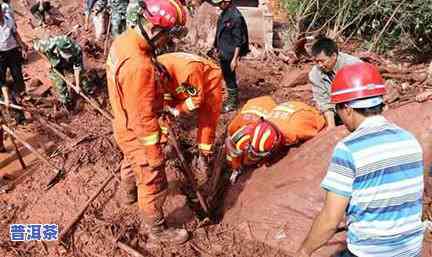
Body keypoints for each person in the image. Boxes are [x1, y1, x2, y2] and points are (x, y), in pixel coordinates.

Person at [296, 62, 424, 257]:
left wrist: (304, 251)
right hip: (411, 248)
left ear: (347, 109)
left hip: (372, 252)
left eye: (337, 109)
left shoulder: (348, 149)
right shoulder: (410, 139)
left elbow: (331, 220)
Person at [106, 0, 189, 244]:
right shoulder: (139, 67)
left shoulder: (123, 41)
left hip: (122, 123)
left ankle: (128, 195)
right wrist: (154, 154)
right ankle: (157, 230)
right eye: (167, 38)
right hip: (138, 131)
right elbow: (144, 121)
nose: (167, 44)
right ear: (155, 30)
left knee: (129, 162)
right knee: (152, 180)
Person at [225, 96, 325, 184]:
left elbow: (322, 129)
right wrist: (236, 167)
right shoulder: (248, 127)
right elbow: (232, 145)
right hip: (271, 106)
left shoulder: (294, 131)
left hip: (302, 112)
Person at [157, 52, 223, 174]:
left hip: (209, 81)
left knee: (207, 117)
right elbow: (166, 94)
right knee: (165, 111)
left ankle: (204, 155)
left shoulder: (188, 72)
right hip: (178, 83)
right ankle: (163, 143)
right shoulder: (156, 65)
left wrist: (178, 109)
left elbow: (196, 99)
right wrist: (169, 107)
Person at [309, 37, 361, 129]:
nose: (320, 65)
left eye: (323, 61)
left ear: (334, 56)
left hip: (360, 107)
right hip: (339, 111)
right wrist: (331, 127)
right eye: (317, 61)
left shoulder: (353, 65)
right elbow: (324, 102)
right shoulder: (315, 74)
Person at [33, 35, 93, 109]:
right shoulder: (47, 44)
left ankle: (90, 94)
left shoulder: (76, 50)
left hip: (69, 62)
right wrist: (47, 61)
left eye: (69, 54)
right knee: (60, 84)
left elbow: (77, 68)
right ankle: (67, 104)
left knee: (82, 77)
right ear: (59, 50)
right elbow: (35, 45)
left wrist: (77, 86)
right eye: (66, 54)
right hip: (54, 61)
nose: (68, 56)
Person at [211, 0, 249, 113]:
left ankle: (232, 102)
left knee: (229, 76)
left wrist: (235, 59)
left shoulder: (235, 17)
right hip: (223, 50)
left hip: (230, 53)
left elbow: (239, 41)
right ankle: (230, 97)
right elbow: (219, 32)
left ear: (227, 2)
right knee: (226, 75)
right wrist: (215, 46)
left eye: (220, 3)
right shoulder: (224, 13)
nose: (218, 5)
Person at [0, 8, 28, 124]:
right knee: (1, 79)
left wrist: (22, 46)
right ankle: (7, 100)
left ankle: (18, 95)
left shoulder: (9, 19)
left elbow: (15, 34)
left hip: (12, 52)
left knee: (18, 77)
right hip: (1, 55)